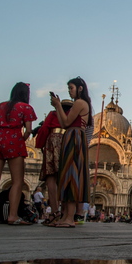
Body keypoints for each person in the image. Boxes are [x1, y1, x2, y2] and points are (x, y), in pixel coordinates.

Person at [0, 82, 36, 225]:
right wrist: (21, 139)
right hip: (14, 141)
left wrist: (2, 135)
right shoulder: (26, 107)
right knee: (17, 181)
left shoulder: (1, 106)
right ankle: (12, 216)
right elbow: (29, 130)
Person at [50, 77, 92, 228]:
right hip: (70, 136)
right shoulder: (78, 103)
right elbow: (63, 123)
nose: (69, 91)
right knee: (67, 175)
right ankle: (66, 216)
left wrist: (57, 106)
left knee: (72, 176)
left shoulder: (80, 103)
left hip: (75, 138)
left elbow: (67, 122)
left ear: (80, 88)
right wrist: (57, 107)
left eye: (71, 88)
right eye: (68, 88)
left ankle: (69, 217)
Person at [34, 99, 70, 225]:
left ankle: (55, 212)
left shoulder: (53, 114)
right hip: (68, 144)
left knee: (51, 178)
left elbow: (44, 130)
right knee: (66, 179)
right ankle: (66, 213)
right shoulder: (72, 116)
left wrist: (39, 144)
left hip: (53, 142)